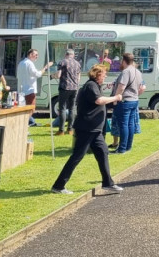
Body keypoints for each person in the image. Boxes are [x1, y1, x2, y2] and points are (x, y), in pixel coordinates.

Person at [51, 65, 124, 195]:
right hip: (86, 128)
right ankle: (58, 185)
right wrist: (115, 97)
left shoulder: (95, 86)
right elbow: (99, 100)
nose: (105, 76)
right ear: (97, 74)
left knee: (103, 152)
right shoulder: (91, 86)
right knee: (77, 156)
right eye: (103, 74)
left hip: (94, 130)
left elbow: (98, 100)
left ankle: (108, 183)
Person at [111, 52, 144, 154]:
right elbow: (141, 87)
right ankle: (128, 147)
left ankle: (121, 148)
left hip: (125, 101)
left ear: (123, 61)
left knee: (123, 125)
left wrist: (115, 99)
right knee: (130, 124)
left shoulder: (125, 72)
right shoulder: (138, 72)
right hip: (134, 100)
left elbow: (121, 87)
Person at [17, 48, 53, 126]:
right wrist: (46, 67)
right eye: (36, 55)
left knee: (25, 109)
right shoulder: (29, 63)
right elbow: (38, 74)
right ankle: (24, 124)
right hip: (29, 89)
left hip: (22, 89)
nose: (37, 57)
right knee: (31, 109)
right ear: (30, 55)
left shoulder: (21, 63)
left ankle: (28, 122)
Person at [55, 48, 81, 135]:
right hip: (74, 88)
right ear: (73, 55)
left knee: (62, 108)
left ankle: (61, 130)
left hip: (64, 87)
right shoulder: (77, 64)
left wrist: (52, 76)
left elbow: (58, 75)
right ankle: (70, 129)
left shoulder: (62, 62)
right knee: (72, 108)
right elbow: (78, 77)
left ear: (66, 54)